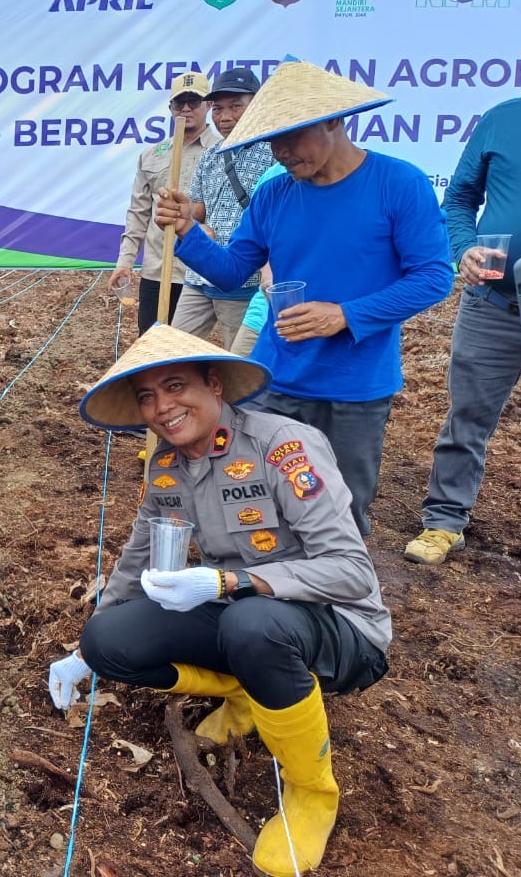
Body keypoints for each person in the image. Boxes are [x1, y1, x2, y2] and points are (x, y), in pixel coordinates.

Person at [50, 323, 391, 876]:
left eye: (175, 386)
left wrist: (227, 583)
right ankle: (247, 693)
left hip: (341, 628)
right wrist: (86, 652)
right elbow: (138, 555)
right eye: (147, 397)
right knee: (109, 640)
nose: (162, 407)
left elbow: (351, 573)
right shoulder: (166, 465)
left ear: (215, 385)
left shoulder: (282, 446)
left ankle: (310, 791)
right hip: (246, 617)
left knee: (254, 627)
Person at [155, 59, 453, 537]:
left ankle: (338, 605)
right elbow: (232, 272)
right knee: (261, 497)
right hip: (278, 378)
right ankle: (267, 593)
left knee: (343, 507)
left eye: (291, 136)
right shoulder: (274, 195)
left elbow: (435, 277)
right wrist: (189, 230)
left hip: (355, 386)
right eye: (272, 141)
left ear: (335, 120)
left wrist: (346, 315)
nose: (281, 153)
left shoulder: (398, 184)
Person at [403, 0, 521, 573]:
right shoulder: (503, 119)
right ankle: (444, 522)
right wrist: (463, 248)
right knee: (467, 416)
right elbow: (458, 201)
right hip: (493, 300)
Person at [108, 72, 219, 336]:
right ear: (170, 108)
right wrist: (125, 261)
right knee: (151, 346)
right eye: (179, 103)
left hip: (203, 273)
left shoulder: (223, 150)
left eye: (194, 101)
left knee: (189, 353)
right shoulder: (151, 155)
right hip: (157, 273)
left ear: (208, 105)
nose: (186, 109)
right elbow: (138, 213)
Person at [173, 68, 273, 346]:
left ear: (256, 104)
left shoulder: (275, 154)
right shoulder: (210, 156)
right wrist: (185, 215)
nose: (225, 117)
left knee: (237, 359)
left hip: (245, 279)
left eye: (235, 107)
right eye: (217, 109)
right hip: (201, 274)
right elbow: (199, 209)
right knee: (174, 348)